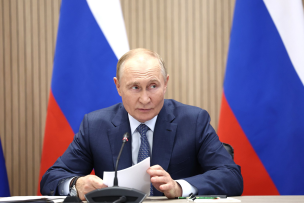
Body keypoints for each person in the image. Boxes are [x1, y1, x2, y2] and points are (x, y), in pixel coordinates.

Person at [40, 48, 243, 200]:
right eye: (135, 87)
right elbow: (51, 178)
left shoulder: (193, 121)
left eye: (153, 86)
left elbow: (231, 176)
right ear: (118, 87)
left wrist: (179, 187)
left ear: (166, 84)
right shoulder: (95, 126)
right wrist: (77, 184)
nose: (145, 99)